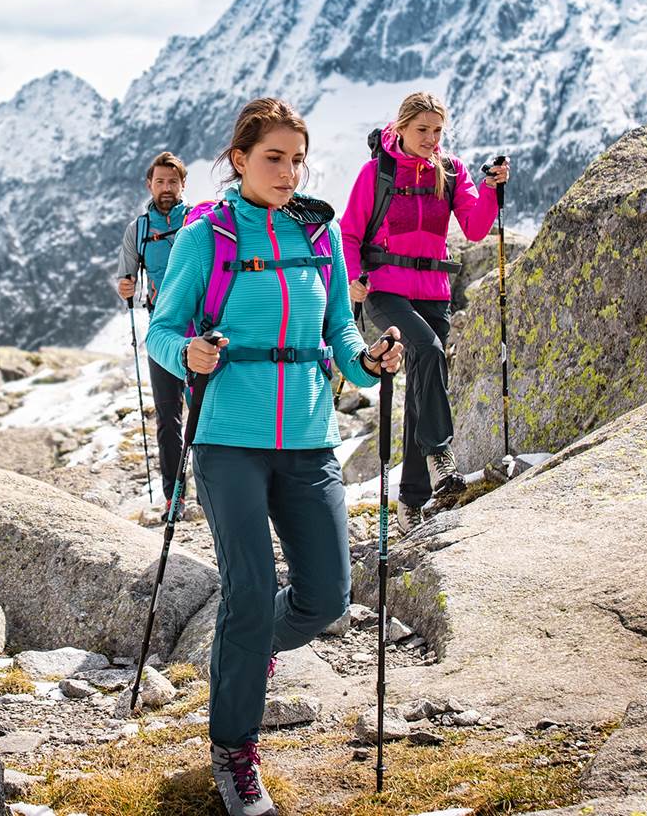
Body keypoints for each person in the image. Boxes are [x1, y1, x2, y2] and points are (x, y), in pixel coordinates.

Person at [148, 99, 405, 816]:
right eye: (274, 158)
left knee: (326, 597)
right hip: (229, 440)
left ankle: (249, 648)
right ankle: (235, 753)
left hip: (309, 441)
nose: (289, 172)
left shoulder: (316, 235)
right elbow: (162, 333)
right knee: (251, 591)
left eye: (297, 159)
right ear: (239, 159)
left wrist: (370, 361)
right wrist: (188, 351)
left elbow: (340, 336)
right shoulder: (210, 234)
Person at [341, 91, 509, 532]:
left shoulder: (451, 173)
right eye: (423, 130)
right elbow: (351, 231)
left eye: (437, 130)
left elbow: (474, 228)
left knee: (422, 389)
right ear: (400, 128)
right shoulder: (377, 172)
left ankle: (411, 503)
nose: (432, 139)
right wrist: (355, 276)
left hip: (434, 291)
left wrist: (491, 190)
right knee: (429, 351)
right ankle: (442, 457)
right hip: (385, 289)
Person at [114, 152, 190, 511]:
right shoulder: (139, 230)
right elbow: (125, 278)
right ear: (149, 185)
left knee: (205, 412)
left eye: (172, 182)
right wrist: (125, 288)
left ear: (182, 185)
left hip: (199, 328)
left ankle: (211, 489)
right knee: (167, 416)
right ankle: (174, 495)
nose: (166, 188)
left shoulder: (197, 221)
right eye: (160, 181)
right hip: (161, 330)